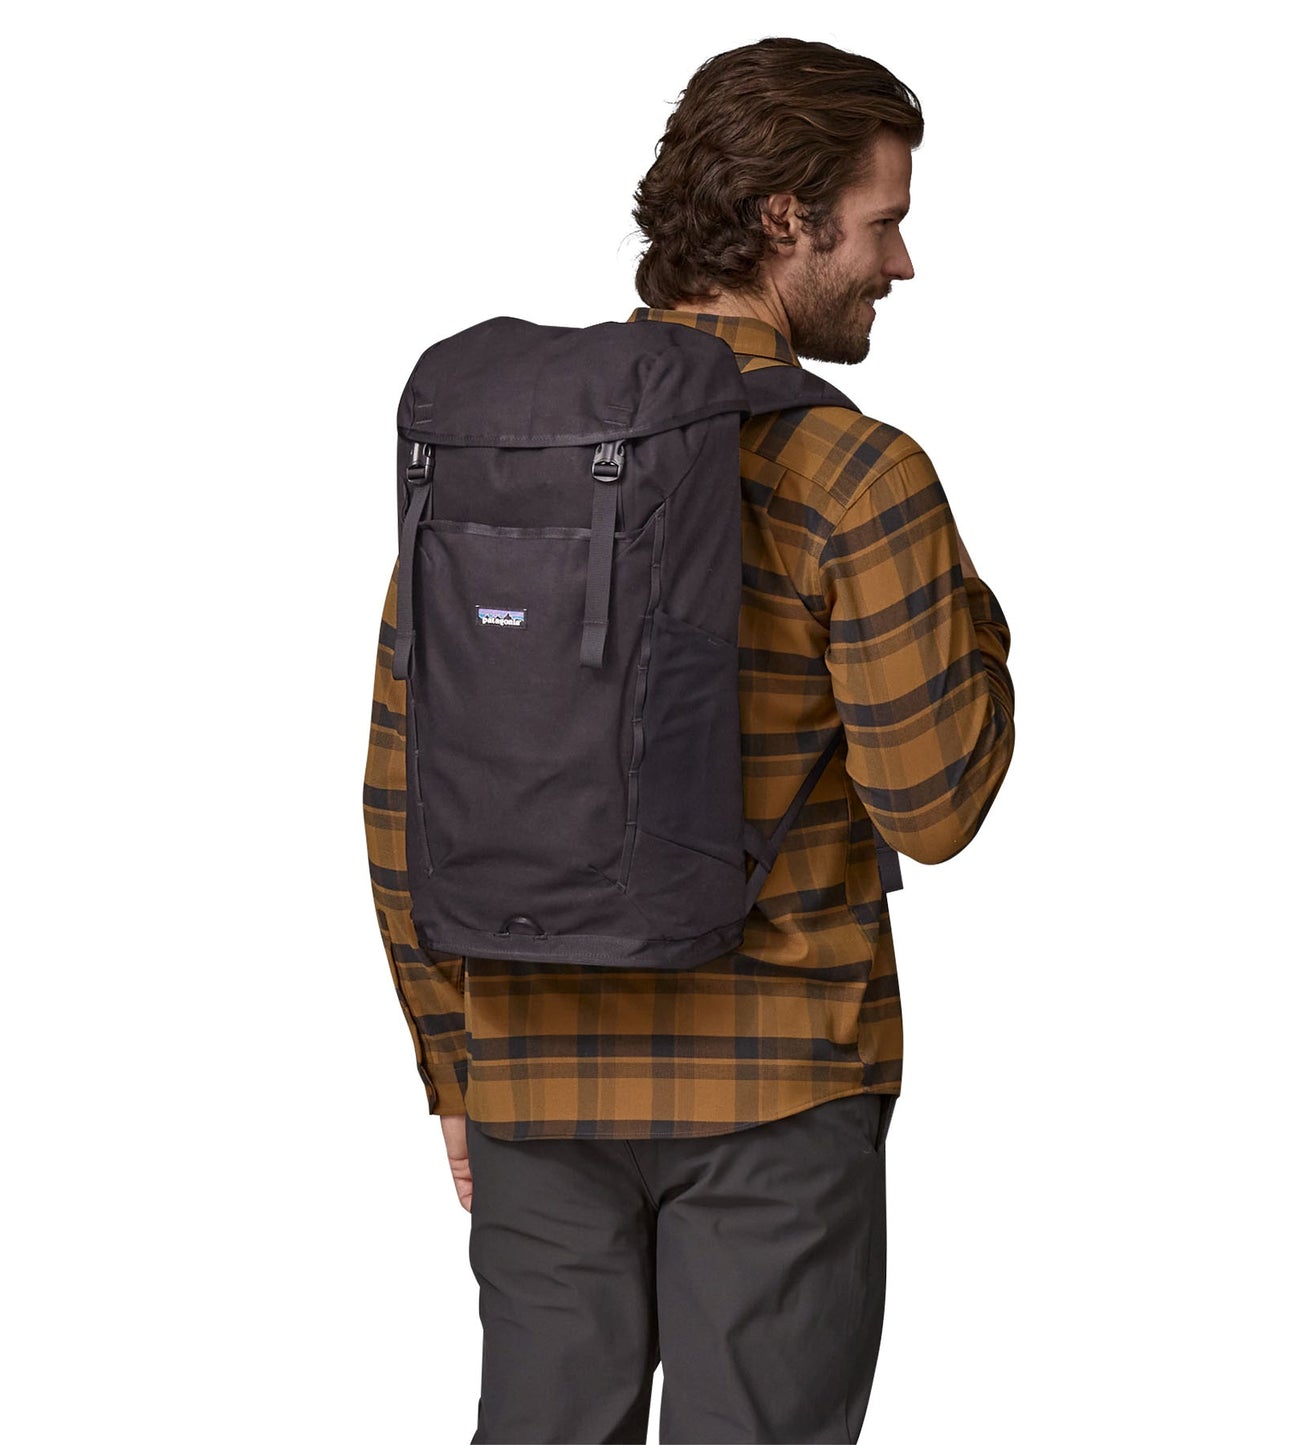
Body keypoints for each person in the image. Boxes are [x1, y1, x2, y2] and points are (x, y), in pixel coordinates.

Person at [363, 36, 1016, 1445]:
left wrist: (454, 1071)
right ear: (785, 218)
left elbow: (401, 790)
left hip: (531, 1073)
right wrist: (976, 617)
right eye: (882, 222)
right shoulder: (857, 473)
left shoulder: (506, 455)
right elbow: (935, 803)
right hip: (780, 1086)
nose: (900, 263)